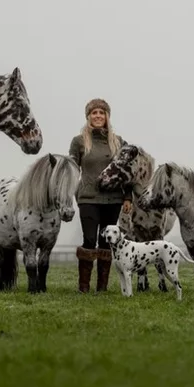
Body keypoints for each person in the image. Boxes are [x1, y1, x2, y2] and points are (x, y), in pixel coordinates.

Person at [69, 98, 133, 293]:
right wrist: (71, 193)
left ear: (107, 116)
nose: (98, 116)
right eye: (94, 113)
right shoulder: (79, 141)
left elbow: (126, 170)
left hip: (113, 198)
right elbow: (71, 170)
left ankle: (102, 288)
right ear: (88, 116)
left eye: (101, 113)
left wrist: (128, 196)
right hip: (88, 198)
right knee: (89, 239)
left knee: (107, 241)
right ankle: (84, 287)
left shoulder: (118, 141)